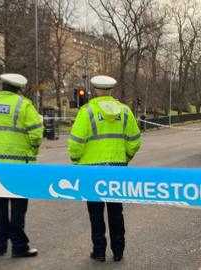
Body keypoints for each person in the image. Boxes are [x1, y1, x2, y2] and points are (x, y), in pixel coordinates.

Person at [68, 75, 141, 262]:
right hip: (117, 169)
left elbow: (75, 142)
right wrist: (124, 159)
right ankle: (118, 251)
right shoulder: (125, 111)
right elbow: (134, 141)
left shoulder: (87, 111)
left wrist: (76, 161)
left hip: (91, 170)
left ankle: (99, 251)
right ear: (111, 91)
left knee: (95, 212)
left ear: (94, 90)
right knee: (116, 211)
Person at [0, 74, 44, 258]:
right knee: (18, 209)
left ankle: (0, 245)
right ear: (19, 88)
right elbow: (36, 132)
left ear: (2, 86)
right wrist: (33, 151)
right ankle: (19, 247)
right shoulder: (24, 105)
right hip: (19, 165)